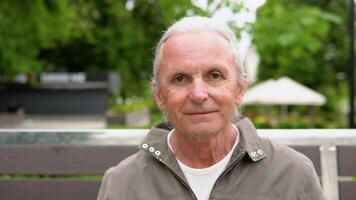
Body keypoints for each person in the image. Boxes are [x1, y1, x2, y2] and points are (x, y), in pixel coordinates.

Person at [97, 16, 325, 200]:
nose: (198, 94)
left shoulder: (293, 174)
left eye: (214, 75)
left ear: (240, 89)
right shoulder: (122, 183)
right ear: (159, 95)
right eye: (179, 78)